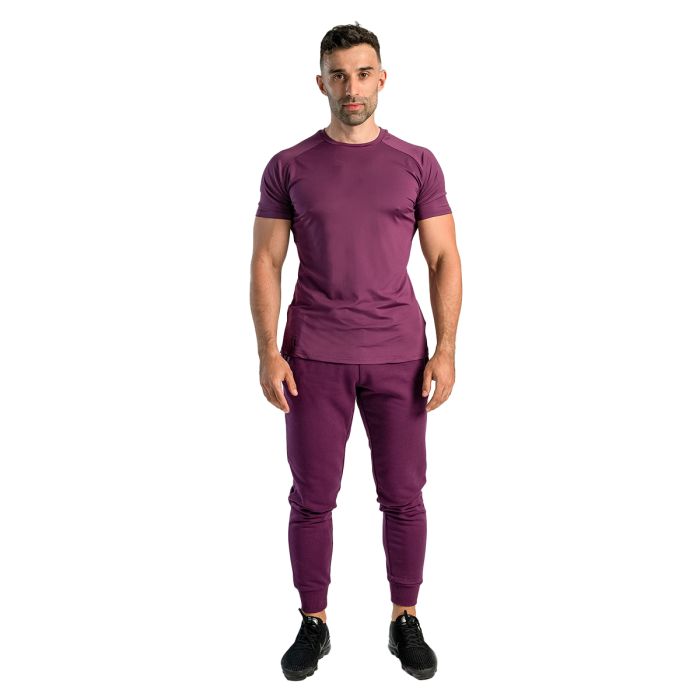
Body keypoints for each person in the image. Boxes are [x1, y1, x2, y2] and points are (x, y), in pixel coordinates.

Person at [250, 22, 462, 681]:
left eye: (363, 73)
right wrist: (267, 351)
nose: (352, 87)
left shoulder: (417, 162)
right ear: (321, 83)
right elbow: (266, 260)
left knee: (404, 494)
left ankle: (405, 619)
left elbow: (444, 257)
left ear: (382, 80)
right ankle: (313, 622)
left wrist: (446, 349)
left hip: (399, 355)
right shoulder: (289, 166)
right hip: (313, 356)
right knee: (312, 497)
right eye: (339, 75)